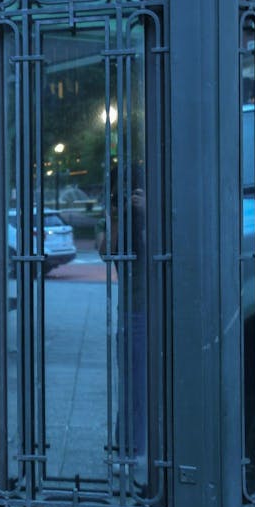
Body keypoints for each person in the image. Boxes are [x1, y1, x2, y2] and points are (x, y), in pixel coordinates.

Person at [96, 164, 148, 482]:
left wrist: (149, 211)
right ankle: (127, 448)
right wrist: (117, 216)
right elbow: (106, 253)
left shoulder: (158, 208)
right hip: (133, 308)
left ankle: (144, 447)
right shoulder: (117, 213)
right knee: (131, 381)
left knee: (148, 380)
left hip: (156, 306)